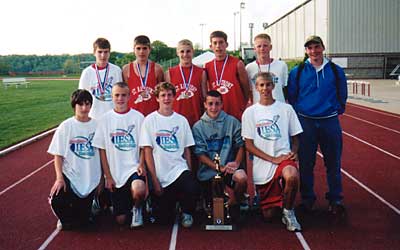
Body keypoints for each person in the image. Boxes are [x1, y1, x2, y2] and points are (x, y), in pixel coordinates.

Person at [287, 35, 348, 214]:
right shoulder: (297, 72)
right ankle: (307, 199)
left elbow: (342, 94)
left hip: (329, 121)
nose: (314, 51)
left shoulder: (336, 71)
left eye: (316, 47)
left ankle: (335, 199)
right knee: (306, 163)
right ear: (306, 51)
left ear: (323, 47)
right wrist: (302, 110)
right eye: (310, 48)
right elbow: (292, 95)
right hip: (306, 122)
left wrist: (334, 109)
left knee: (333, 162)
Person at [242, 72, 303, 232]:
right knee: (269, 216)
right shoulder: (250, 112)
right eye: (261, 85)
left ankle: (289, 212)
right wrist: (271, 159)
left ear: (273, 86)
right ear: (256, 87)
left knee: (292, 175)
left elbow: (296, 137)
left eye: (268, 84)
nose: (265, 88)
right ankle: (281, 200)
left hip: (283, 158)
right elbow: (248, 145)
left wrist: (294, 152)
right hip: (264, 164)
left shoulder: (286, 109)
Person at [140, 82, 199, 228]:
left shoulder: (181, 120)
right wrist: (154, 181)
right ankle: (162, 203)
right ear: (157, 99)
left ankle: (187, 211)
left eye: (169, 95)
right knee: (163, 221)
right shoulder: (149, 121)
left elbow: (186, 150)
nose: (166, 98)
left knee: (191, 186)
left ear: (174, 97)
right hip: (160, 174)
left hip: (179, 169)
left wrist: (189, 172)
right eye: (163, 95)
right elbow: (147, 152)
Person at [92, 82, 146, 228]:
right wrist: (108, 176)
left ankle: (138, 208)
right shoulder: (104, 119)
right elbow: (101, 150)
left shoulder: (138, 117)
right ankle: (120, 204)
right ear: (112, 96)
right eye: (117, 95)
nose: (120, 98)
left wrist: (141, 163)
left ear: (129, 96)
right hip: (115, 174)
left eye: (123, 95)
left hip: (133, 169)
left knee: (139, 189)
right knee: (121, 220)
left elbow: (143, 146)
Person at [48, 89, 101, 230]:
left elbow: (102, 152)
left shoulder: (97, 126)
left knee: (84, 224)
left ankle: (91, 206)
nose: (84, 108)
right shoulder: (66, 127)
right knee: (57, 199)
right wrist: (59, 178)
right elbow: (58, 155)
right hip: (71, 176)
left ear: (91, 105)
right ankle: (64, 218)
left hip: (90, 176)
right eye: (80, 105)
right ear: (74, 106)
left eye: (87, 104)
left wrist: (104, 177)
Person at [192, 90, 247, 219]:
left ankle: (235, 204)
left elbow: (241, 145)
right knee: (213, 212)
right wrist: (218, 167)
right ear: (205, 104)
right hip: (208, 172)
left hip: (229, 169)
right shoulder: (198, 127)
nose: (214, 107)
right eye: (210, 104)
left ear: (222, 104)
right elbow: (200, 155)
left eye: (217, 104)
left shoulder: (232, 122)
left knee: (242, 178)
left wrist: (236, 163)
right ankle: (209, 203)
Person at [204, 30, 250, 121]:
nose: (218, 46)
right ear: (211, 46)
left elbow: (246, 88)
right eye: (215, 43)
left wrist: (243, 105)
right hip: (217, 112)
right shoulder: (207, 66)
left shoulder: (237, 63)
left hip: (235, 112)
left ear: (226, 44)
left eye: (221, 42)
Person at [165, 39, 207, 127]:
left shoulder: (201, 72)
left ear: (193, 52)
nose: (185, 54)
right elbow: (167, 98)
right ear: (177, 53)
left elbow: (204, 97)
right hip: (176, 120)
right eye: (182, 51)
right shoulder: (170, 73)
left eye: (188, 51)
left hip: (197, 119)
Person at [79, 38, 123, 120]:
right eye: (100, 52)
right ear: (94, 53)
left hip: (113, 117)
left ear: (109, 53)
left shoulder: (116, 70)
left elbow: (121, 94)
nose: (103, 55)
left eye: (106, 52)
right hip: (93, 117)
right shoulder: (87, 73)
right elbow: (81, 98)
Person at [122, 35, 164, 116]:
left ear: (149, 49)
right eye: (138, 48)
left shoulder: (157, 69)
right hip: (133, 115)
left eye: (144, 48)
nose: (141, 52)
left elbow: (161, 93)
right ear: (133, 49)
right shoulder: (126, 69)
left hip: (153, 115)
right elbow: (125, 93)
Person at [246, 33, 288, 103]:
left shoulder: (281, 65)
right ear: (254, 49)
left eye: (265, 46)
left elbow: (285, 88)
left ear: (270, 47)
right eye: (259, 46)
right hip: (258, 108)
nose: (262, 49)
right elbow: (249, 90)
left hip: (279, 106)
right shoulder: (249, 68)